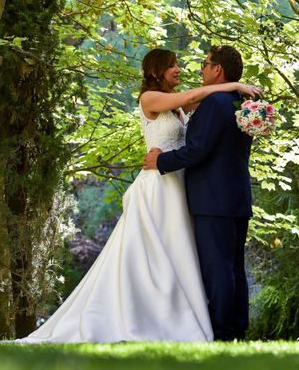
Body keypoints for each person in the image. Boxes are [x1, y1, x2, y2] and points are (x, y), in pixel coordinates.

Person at [17, 48, 261, 343]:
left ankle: (208, 326)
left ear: (217, 69)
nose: (181, 70)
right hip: (159, 188)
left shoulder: (194, 106)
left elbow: (199, 128)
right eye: (173, 66)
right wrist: (236, 85)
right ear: (157, 71)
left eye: (197, 64)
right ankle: (151, 316)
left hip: (182, 187)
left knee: (193, 259)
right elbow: (194, 98)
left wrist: (233, 87)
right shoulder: (152, 99)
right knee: (157, 258)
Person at [143, 45, 254, 341]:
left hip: (212, 198)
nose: (200, 70)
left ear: (217, 70)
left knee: (218, 268)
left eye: (205, 65)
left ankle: (222, 332)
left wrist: (160, 161)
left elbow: (199, 150)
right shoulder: (240, 104)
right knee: (234, 268)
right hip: (236, 196)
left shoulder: (217, 103)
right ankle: (237, 327)